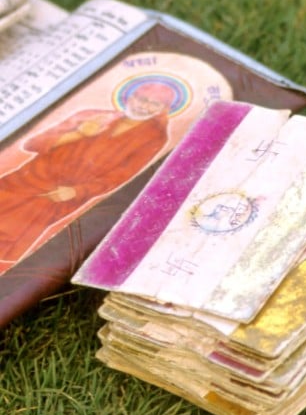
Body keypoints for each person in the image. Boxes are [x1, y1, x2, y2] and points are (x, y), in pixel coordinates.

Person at [0, 76, 185, 270]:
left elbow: (120, 177)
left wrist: (76, 192)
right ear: (130, 97)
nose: (143, 106)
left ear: (163, 109)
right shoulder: (92, 115)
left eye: (153, 104)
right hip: (23, 180)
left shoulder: (153, 137)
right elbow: (33, 144)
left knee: (8, 239)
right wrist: (79, 133)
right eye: (141, 98)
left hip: (55, 196)